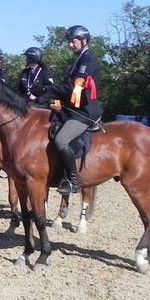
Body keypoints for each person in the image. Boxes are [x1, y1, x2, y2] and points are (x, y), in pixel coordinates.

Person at [47, 25, 103, 194]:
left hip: (84, 112)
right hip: (72, 109)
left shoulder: (88, 60)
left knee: (61, 140)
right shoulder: (79, 59)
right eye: (69, 42)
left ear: (84, 40)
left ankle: (73, 181)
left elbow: (72, 87)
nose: (70, 45)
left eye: (73, 42)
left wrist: (47, 90)